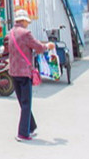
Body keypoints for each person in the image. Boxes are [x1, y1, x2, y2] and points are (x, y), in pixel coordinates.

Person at [4, 8, 53, 142]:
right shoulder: (26, 33)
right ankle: (22, 133)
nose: (27, 24)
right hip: (24, 72)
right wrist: (48, 46)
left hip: (13, 71)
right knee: (26, 103)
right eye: (27, 22)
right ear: (23, 21)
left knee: (22, 101)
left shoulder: (10, 33)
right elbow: (39, 48)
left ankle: (31, 126)